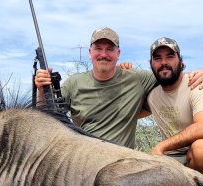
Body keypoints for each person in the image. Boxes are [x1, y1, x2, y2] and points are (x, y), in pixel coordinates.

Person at [35, 27, 203, 148]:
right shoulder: (74, 83)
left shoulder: (137, 78)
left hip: (122, 162)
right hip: (84, 158)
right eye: (98, 48)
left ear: (118, 53)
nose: (104, 54)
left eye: (109, 49)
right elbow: (48, 118)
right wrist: (42, 90)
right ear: (90, 52)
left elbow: (168, 73)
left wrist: (199, 73)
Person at [147, 37, 203, 172]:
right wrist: (122, 70)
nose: (164, 62)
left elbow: (201, 126)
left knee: (200, 149)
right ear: (151, 63)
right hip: (167, 159)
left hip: (192, 158)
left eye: (170, 56)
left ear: (180, 60)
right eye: (158, 58)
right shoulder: (152, 96)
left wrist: (162, 146)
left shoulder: (196, 84)